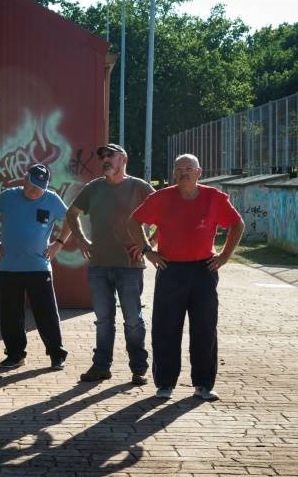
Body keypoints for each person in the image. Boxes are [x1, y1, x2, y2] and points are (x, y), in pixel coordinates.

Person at [129, 154, 244, 401]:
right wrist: (149, 252)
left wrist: (224, 256)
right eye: (180, 168)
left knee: (204, 328)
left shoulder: (214, 197)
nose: (184, 173)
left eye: (189, 168)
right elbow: (134, 222)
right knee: (166, 329)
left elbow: (238, 225)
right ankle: (165, 384)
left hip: (204, 270)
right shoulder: (161, 197)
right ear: (173, 172)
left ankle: (203, 384)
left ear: (199, 172)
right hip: (170, 270)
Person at [65, 143, 153, 385]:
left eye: (110, 155)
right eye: (101, 155)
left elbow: (166, 215)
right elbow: (71, 213)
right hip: (99, 266)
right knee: (104, 319)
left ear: (122, 159)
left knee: (133, 319)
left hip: (130, 266)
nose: (104, 159)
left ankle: (139, 368)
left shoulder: (139, 187)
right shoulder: (93, 188)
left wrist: (148, 244)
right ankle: (101, 367)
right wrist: (81, 239)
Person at [0, 163, 72, 370]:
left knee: (46, 313)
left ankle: (57, 354)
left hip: (39, 267)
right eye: (31, 186)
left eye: (40, 187)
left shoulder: (52, 199)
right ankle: (15, 355)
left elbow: (70, 220)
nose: (35, 191)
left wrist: (59, 243)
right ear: (24, 179)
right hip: (9, 267)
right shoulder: (9, 196)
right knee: (11, 314)